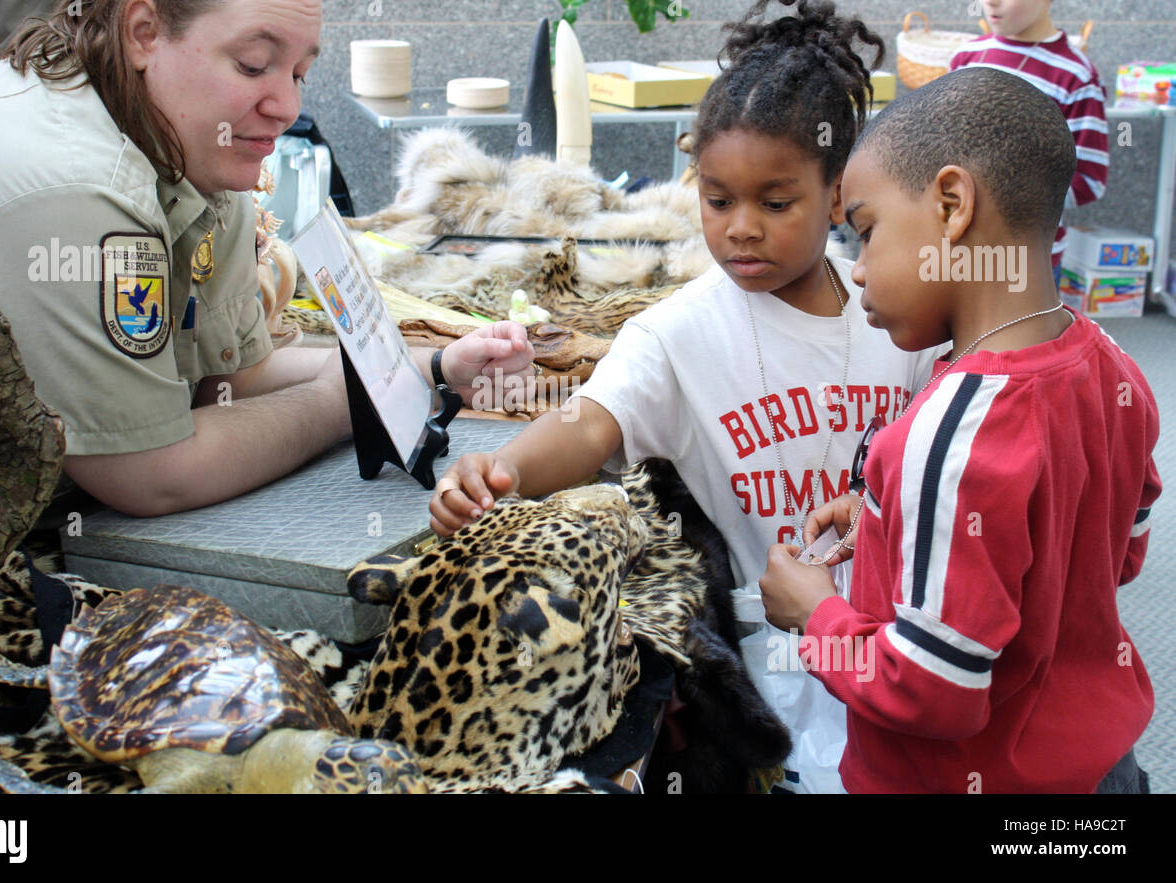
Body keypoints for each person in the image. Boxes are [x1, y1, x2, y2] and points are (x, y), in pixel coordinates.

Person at [0, 0, 533, 517]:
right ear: (142, 31)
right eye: (253, 64)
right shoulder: (77, 187)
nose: (288, 107)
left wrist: (425, 366)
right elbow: (154, 476)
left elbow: (234, 375)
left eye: (300, 72)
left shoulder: (185, 136)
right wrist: (345, 398)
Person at [430, 0, 942, 588]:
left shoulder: (898, 318)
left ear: (837, 194)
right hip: (762, 658)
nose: (741, 227)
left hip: (900, 649)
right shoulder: (675, 333)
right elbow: (591, 423)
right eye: (719, 200)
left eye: (776, 204)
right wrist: (503, 469)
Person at [758, 67, 1160, 793]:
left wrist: (815, 614)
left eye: (867, 231)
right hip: (1103, 768)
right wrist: (890, 522)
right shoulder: (1114, 368)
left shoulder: (947, 432)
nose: (856, 269)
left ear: (951, 204)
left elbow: (930, 686)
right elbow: (1115, 548)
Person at [950, 0, 1108, 270]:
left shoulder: (1076, 76)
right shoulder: (966, 57)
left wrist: (1007, 197)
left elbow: (1090, 180)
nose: (991, 2)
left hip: (1029, 264)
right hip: (957, 252)